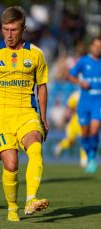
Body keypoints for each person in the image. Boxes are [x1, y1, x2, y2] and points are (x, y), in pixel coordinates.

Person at [0, 6, 49, 222]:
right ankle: (12, 208)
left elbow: (42, 86)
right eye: (5, 29)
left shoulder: (36, 54)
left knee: (35, 147)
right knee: (11, 164)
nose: (8, 34)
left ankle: (31, 199)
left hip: (27, 112)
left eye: (13, 30)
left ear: (23, 28)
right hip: (1, 116)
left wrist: (43, 116)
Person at [67, 36, 101, 173]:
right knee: (85, 132)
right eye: (96, 46)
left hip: (98, 101)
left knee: (94, 129)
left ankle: (92, 157)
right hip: (84, 102)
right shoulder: (83, 61)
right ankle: (88, 153)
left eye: (100, 46)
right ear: (91, 47)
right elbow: (70, 75)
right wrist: (80, 83)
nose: (98, 49)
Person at [53, 91, 88, 168]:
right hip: (74, 122)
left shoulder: (90, 94)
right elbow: (68, 109)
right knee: (70, 141)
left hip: (84, 121)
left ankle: (84, 159)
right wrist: (63, 120)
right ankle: (60, 146)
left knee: (84, 139)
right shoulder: (76, 95)